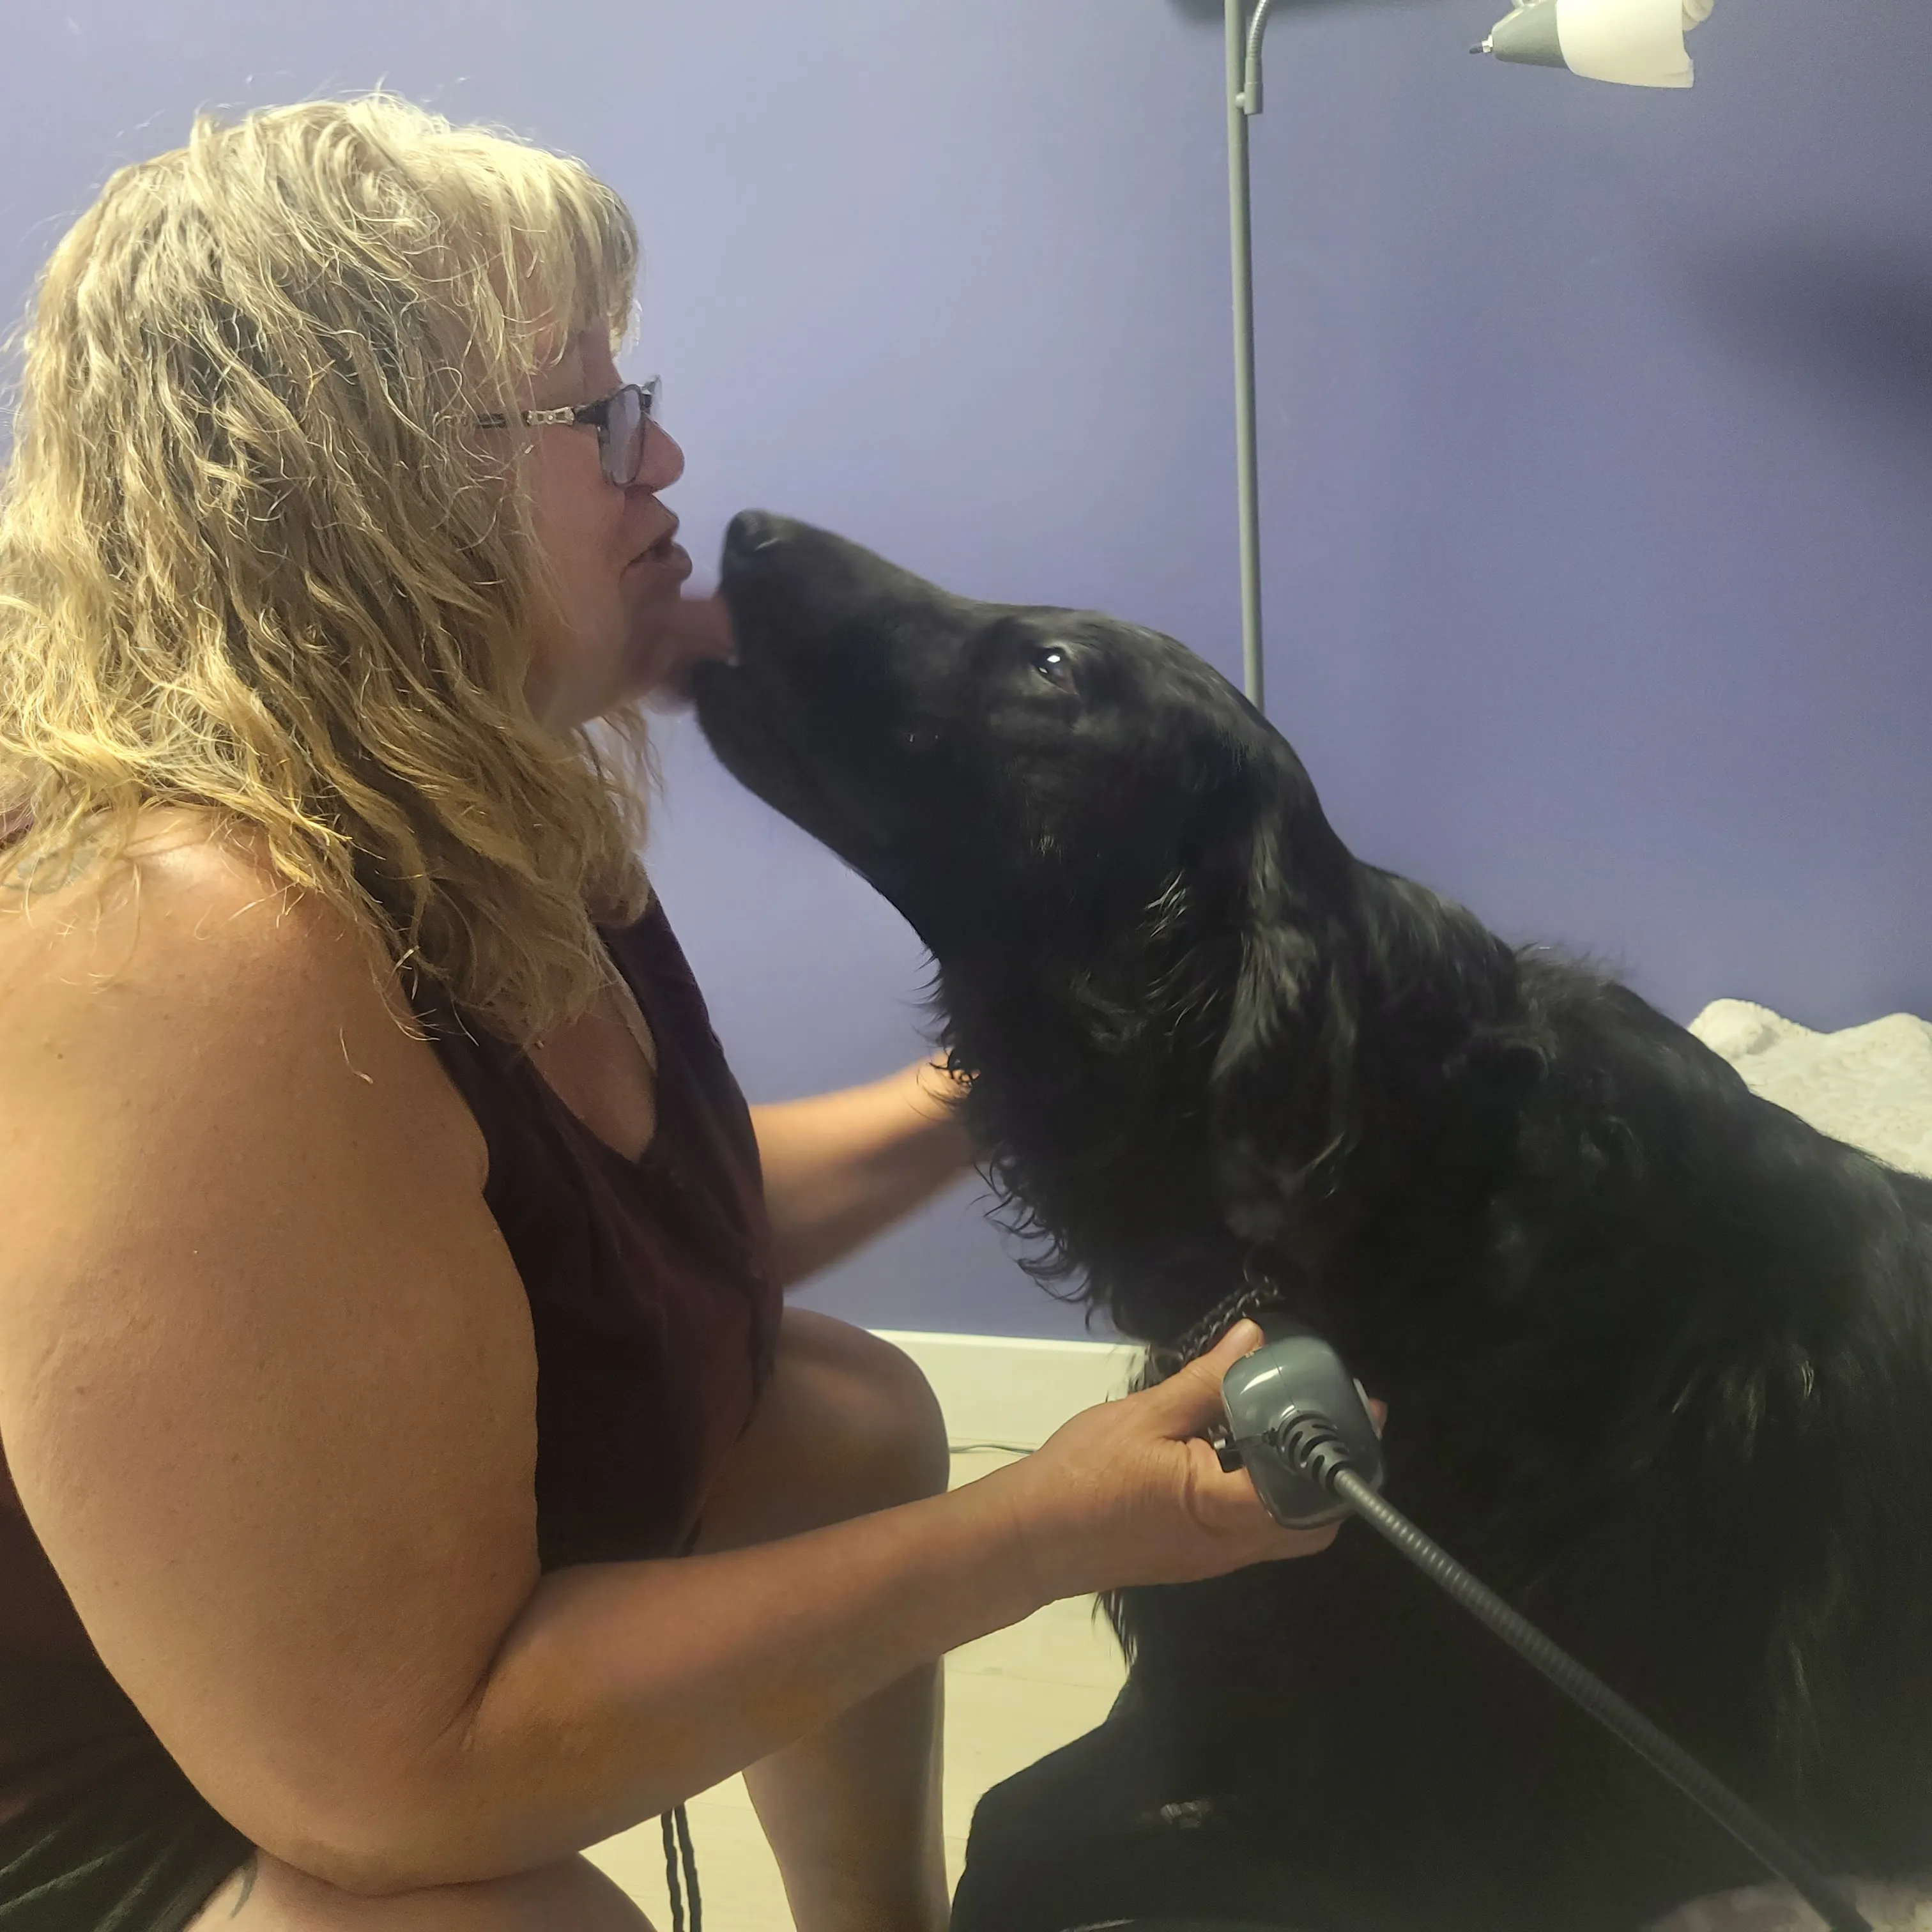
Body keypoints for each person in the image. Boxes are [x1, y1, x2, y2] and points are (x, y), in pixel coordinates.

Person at [0, 95, 1351, 1932]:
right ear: (369, 479)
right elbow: (399, 1777)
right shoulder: (199, 940)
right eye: (601, 415)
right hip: (126, 1811)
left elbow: (626, 1238)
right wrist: (1042, 1532)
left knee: (844, 1420)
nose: (670, 458)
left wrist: (1006, 1071)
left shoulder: (486, 788)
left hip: (278, 1683)